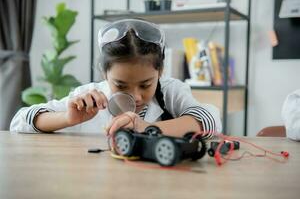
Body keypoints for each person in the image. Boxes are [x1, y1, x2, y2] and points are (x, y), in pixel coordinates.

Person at [10, 19, 221, 139]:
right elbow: (20, 121)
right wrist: (67, 118)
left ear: (161, 70)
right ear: (104, 73)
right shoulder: (89, 96)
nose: (135, 96)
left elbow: (211, 120)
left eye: (146, 84)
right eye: (120, 85)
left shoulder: (170, 91)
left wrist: (145, 127)